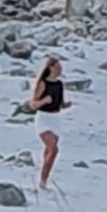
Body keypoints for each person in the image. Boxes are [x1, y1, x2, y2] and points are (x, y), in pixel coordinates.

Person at [30, 58, 72, 189]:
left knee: (49, 150)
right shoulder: (43, 84)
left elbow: (60, 103)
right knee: (54, 149)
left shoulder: (59, 84)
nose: (60, 70)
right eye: (58, 68)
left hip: (56, 119)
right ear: (51, 68)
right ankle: (43, 179)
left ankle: (44, 177)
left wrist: (66, 105)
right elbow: (32, 104)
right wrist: (43, 101)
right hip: (43, 119)